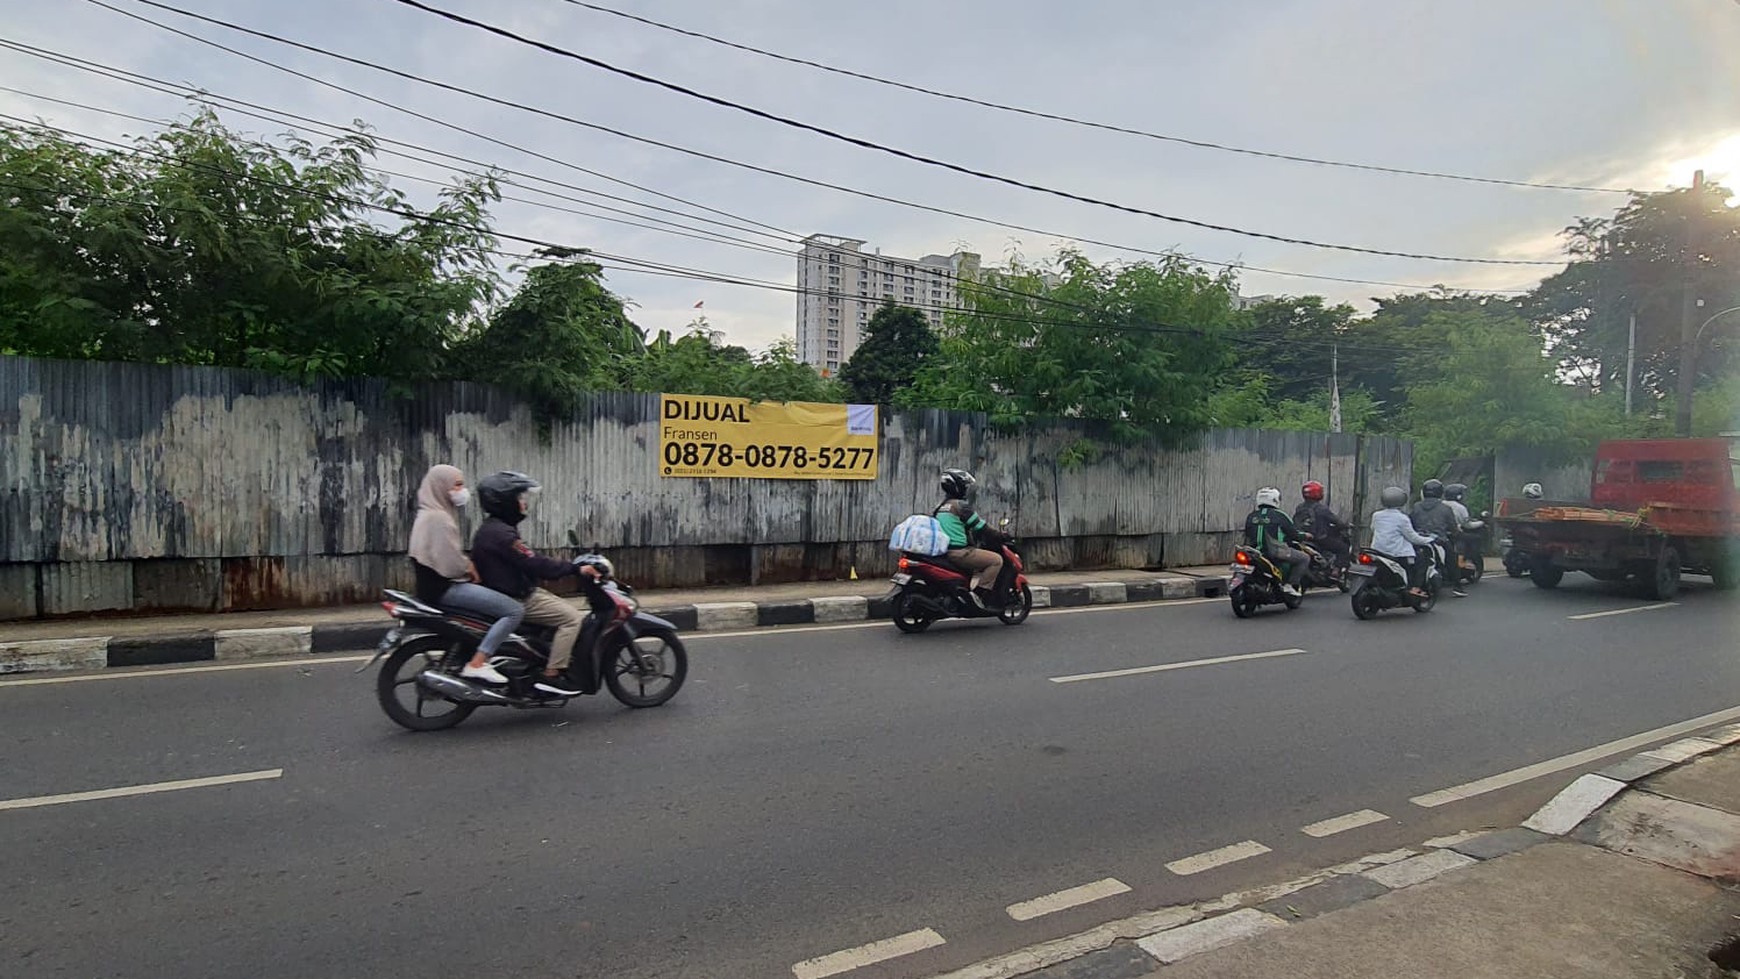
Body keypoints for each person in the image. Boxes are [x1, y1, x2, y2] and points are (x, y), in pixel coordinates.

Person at [471, 471, 595, 697]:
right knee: (572, 619)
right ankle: (551, 674)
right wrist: (575, 569)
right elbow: (536, 564)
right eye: (519, 497)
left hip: (516, 590)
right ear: (505, 501)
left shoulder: (493, 528)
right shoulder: (503, 535)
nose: (523, 502)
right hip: (517, 597)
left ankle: (542, 656)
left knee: (558, 607)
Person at [407, 464, 523, 686]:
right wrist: (468, 568)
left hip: (431, 588)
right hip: (444, 589)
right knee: (514, 610)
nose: (462, 491)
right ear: (441, 487)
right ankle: (478, 663)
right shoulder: (439, 519)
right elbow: (450, 564)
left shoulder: (427, 513)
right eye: (457, 485)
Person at [934, 468, 1003, 609]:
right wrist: (999, 535)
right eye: (965, 486)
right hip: (959, 552)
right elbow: (980, 527)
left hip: (944, 552)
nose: (966, 489)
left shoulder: (940, 507)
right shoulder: (960, 506)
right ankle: (977, 595)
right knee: (996, 560)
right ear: (957, 487)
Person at [1371, 485, 1437, 598]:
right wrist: (1430, 540)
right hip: (1396, 553)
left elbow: (1373, 528)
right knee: (1421, 560)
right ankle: (1414, 587)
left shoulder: (1376, 515)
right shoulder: (1402, 518)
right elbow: (1413, 538)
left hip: (1377, 550)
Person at [1243, 487, 1308, 597]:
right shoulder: (1280, 515)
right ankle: (1290, 585)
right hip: (1276, 551)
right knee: (1304, 558)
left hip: (1254, 551)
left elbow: (1247, 533)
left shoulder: (1251, 516)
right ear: (1275, 499)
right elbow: (1293, 534)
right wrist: (1305, 535)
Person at [1408, 479, 1464, 597]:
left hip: (1418, 539)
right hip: (1439, 540)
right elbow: (1453, 527)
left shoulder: (1416, 506)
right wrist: (1456, 533)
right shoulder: (1445, 508)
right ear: (1440, 492)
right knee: (1452, 560)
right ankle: (1457, 587)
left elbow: (1411, 523)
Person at [1293, 480, 1352, 571]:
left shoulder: (1300, 507)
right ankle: (1336, 570)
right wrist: (1345, 525)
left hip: (1302, 538)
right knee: (1343, 548)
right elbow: (1336, 521)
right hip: (1319, 539)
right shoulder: (1321, 508)